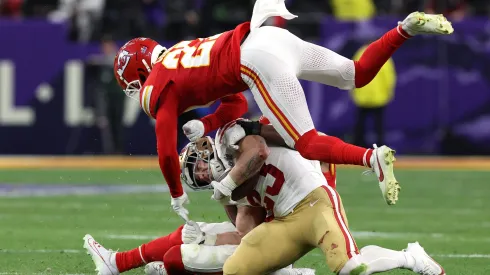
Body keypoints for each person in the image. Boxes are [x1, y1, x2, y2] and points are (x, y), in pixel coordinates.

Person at [113, 0, 453, 220]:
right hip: (268, 37)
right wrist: (208, 124)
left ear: (141, 72)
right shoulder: (183, 52)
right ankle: (404, 28)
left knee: (305, 142)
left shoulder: (158, 85)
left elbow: (164, 151)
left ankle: (371, 158)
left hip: (255, 60)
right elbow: (235, 102)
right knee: (357, 74)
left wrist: (176, 194)